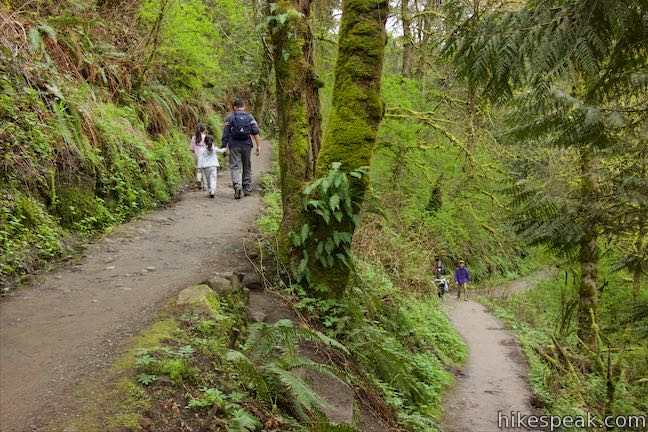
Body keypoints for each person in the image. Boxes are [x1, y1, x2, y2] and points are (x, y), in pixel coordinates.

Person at [221, 99, 261, 199]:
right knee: (247, 166)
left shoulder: (230, 117)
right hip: (247, 145)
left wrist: (223, 146)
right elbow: (255, 132)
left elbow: (226, 132)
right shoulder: (249, 117)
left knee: (235, 166)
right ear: (244, 106)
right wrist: (258, 146)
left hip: (234, 145)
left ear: (234, 107)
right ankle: (247, 188)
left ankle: (237, 185)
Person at [190, 123, 207, 188]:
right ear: (204, 130)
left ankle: (198, 179)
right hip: (204, 156)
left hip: (197, 156)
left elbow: (191, 148)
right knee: (204, 170)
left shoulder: (194, 138)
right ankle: (205, 186)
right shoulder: (205, 137)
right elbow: (207, 147)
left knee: (199, 169)